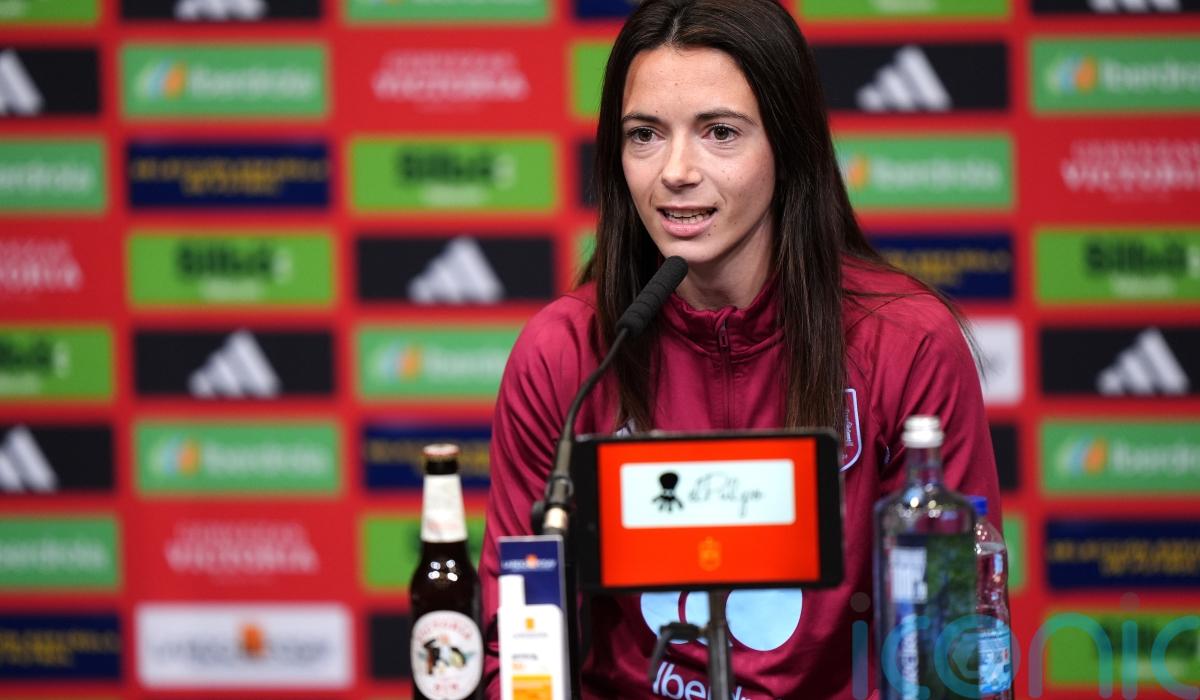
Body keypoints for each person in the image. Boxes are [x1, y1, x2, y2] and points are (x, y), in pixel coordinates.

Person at [480, 0, 1001, 697]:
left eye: (719, 132)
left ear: (788, 145)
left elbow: (949, 654)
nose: (676, 170)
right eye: (645, 135)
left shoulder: (908, 344)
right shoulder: (566, 353)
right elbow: (514, 652)